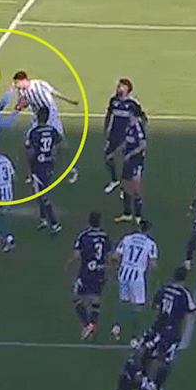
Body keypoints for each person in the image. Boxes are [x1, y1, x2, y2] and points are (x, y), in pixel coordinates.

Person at [12, 71, 80, 183]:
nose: (16, 85)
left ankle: (71, 169)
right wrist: (19, 106)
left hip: (51, 116)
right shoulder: (21, 91)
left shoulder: (40, 85)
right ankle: (31, 174)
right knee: (26, 144)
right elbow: (24, 103)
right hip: (37, 117)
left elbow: (55, 93)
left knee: (60, 144)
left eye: (17, 83)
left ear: (23, 80)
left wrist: (70, 100)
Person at [109, 219, 158, 341]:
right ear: (148, 231)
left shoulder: (127, 239)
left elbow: (115, 257)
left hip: (124, 273)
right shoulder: (150, 244)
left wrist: (115, 269)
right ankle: (134, 337)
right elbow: (153, 264)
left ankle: (116, 326)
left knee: (123, 302)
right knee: (137, 306)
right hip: (137, 276)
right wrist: (149, 274)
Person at [66, 212, 111, 340]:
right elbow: (110, 256)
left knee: (77, 298)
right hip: (100, 271)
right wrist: (107, 270)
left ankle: (86, 324)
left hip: (86, 272)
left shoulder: (84, 235)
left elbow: (77, 254)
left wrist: (68, 264)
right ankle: (92, 326)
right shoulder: (104, 236)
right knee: (95, 300)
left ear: (89, 221)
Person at [102, 79, 146, 194]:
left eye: (122, 86)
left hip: (126, 136)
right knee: (108, 157)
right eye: (119, 86)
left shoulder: (132, 103)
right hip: (114, 135)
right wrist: (106, 131)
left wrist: (137, 134)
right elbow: (109, 115)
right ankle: (114, 180)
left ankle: (124, 187)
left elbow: (143, 118)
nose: (119, 88)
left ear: (128, 89)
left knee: (125, 162)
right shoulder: (113, 101)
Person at [114, 112, 148, 224]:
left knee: (136, 188)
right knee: (125, 186)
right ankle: (127, 213)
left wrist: (130, 154)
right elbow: (125, 141)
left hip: (136, 162)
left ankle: (138, 215)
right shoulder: (127, 126)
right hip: (127, 162)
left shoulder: (137, 127)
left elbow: (143, 145)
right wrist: (119, 149)